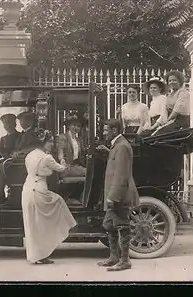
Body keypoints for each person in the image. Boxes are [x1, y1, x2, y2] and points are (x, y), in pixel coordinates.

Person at [22, 129, 77, 265]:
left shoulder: (30, 155)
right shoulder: (47, 158)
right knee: (56, 205)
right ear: (43, 142)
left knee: (32, 225)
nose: (52, 144)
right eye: (50, 141)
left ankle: (36, 255)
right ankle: (69, 224)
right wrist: (61, 156)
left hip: (27, 189)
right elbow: (62, 169)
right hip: (40, 190)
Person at [96, 118, 139, 272]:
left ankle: (125, 260)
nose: (104, 132)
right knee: (109, 225)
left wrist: (113, 197)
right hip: (114, 194)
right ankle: (114, 257)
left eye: (106, 130)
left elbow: (121, 175)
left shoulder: (122, 147)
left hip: (119, 195)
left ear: (114, 131)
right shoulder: (117, 146)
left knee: (122, 225)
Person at [0, 111, 39, 206]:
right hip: (14, 160)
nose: (21, 123)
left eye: (23, 120)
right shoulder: (23, 134)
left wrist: (18, 153)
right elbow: (0, 154)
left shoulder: (30, 134)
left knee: (0, 166)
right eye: (20, 120)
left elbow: (33, 148)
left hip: (20, 163)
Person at [153, 70, 190, 135]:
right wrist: (156, 125)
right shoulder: (169, 95)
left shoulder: (183, 93)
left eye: (174, 80)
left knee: (160, 134)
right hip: (172, 120)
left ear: (180, 81)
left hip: (180, 121)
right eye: (170, 81)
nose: (172, 82)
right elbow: (165, 111)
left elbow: (177, 110)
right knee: (151, 133)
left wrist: (167, 121)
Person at [56, 113, 87, 178]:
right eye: (74, 125)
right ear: (69, 126)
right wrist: (62, 160)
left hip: (76, 166)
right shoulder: (63, 137)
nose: (76, 128)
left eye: (78, 126)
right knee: (88, 172)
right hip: (67, 167)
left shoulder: (78, 140)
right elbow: (60, 150)